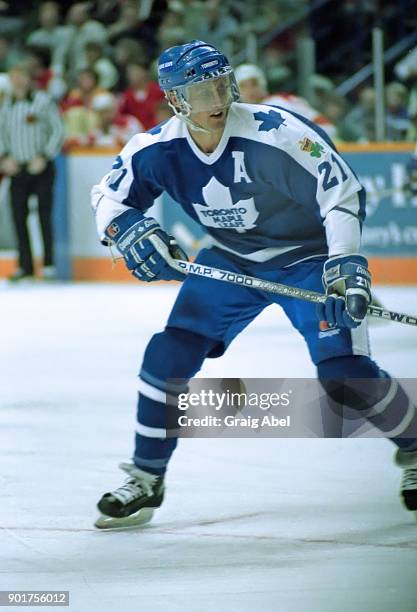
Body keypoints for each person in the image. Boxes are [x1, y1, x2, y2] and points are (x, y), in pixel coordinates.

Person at [91, 40, 417, 529]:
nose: (216, 101)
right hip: (232, 261)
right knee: (167, 355)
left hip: (308, 259)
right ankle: (146, 474)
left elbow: (341, 190)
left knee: (344, 375)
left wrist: (345, 260)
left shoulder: (278, 131)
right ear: (176, 99)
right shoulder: (155, 149)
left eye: (221, 86)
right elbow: (107, 197)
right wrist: (125, 229)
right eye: (200, 92)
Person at [0, 63, 64, 280]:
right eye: (14, 76)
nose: (18, 80)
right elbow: (1, 132)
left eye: (21, 75)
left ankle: (48, 264)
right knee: (19, 217)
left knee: (44, 216)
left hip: (41, 166)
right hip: (16, 167)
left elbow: (57, 129)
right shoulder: (6, 104)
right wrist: (5, 157)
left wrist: (44, 155)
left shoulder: (42, 101)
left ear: (29, 78)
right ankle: (25, 266)